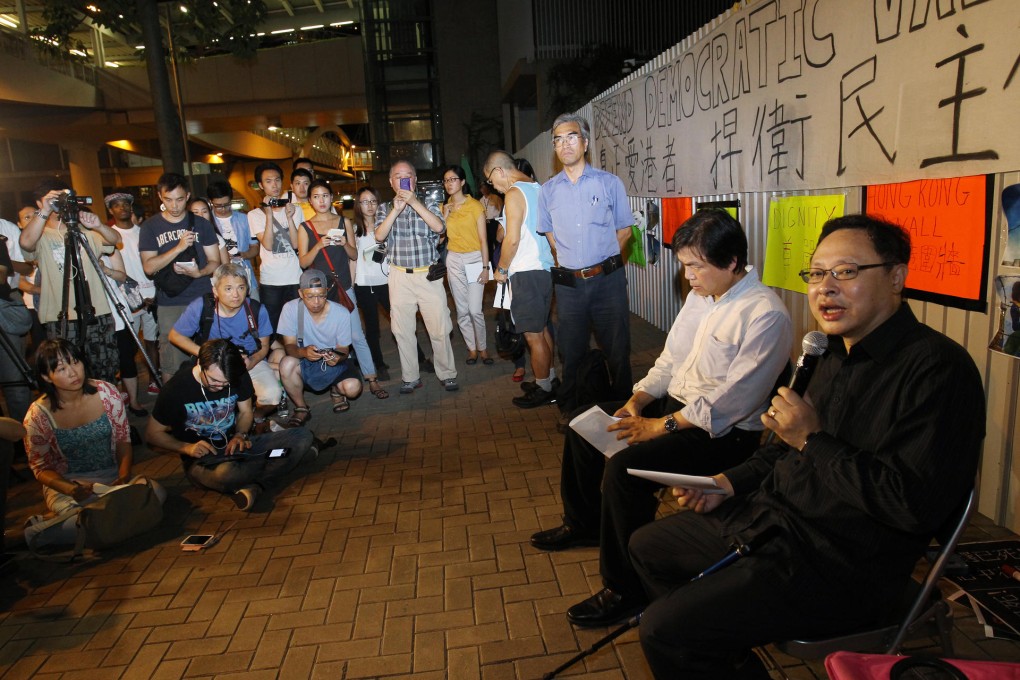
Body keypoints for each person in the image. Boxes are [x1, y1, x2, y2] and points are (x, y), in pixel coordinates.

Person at [628, 215, 985, 679]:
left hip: (840, 563)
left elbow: (911, 505)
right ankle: (720, 655)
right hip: (773, 522)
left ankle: (703, 642)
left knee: (664, 629)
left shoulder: (938, 371)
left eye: (847, 272)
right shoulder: (828, 353)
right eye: (816, 274)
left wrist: (813, 440)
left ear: (896, 276)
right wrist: (725, 484)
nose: (825, 288)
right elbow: (781, 448)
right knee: (648, 545)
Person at [532, 210, 793, 628]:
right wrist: (637, 401)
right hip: (674, 407)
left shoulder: (765, 314)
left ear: (730, 262)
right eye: (684, 265)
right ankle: (584, 523)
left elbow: (734, 401)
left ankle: (626, 588)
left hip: (721, 434)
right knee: (587, 426)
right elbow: (671, 360)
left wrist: (659, 427)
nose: (688, 276)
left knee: (625, 468)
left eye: (695, 266)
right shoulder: (701, 296)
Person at [539, 113, 634, 428]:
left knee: (617, 350)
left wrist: (602, 265)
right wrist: (570, 261)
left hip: (608, 282)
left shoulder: (609, 183)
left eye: (571, 137)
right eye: (558, 139)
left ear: (585, 142)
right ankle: (573, 412)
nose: (564, 144)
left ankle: (623, 411)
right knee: (571, 351)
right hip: (568, 288)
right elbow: (550, 235)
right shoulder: (548, 191)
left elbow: (624, 232)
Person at [23, 339, 166, 545]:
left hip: (111, 478)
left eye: (75, 362)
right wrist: (71, 489)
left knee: (157, 492)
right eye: (62, 368)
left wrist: (124, 475)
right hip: (70, 486)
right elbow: (40, 467)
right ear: (47, 376)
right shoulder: (37, 415)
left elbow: (122, 439)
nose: (73, 372)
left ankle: (85, 524)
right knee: (103, 516)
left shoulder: (106, 392)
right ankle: (39, 531)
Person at [146, 338, 314, 512]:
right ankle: (274, 467)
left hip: (237, 447)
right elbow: (152, 434)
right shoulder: (176, 389)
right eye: (214, 380)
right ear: (200, 364)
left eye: (226, 383)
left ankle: (255, 484)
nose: (220, 386)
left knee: (302, 436)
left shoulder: (238, 375)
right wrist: (186, 447)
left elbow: (246, 412)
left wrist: (240, 434)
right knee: (227, 474)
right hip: (204, 460)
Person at [20, 179, 123, 384]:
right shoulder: (41, 234)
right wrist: (45, 211)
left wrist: (99, 225)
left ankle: (105, 410)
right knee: (67, 372)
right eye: (53, 198)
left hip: (96, 313)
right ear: (40, 202)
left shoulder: (85, 231)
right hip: (60, 315)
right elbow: (26, 243)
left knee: (104, 370)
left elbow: (114, 239)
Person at [297, 179, 387, 400]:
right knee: (325, 339)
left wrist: (343, 243)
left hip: (344, 287)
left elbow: (354, 255)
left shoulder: (343, 221)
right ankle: (334, 386)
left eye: (325, 196)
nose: (321, 200)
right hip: (320, 292)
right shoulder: (305, 227)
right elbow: (303, 261)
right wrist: (319, 245)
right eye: (316, 196)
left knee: (357, 335)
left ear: (331, 197)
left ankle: (371, 378)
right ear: (310, 200)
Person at [374, 160, 458, 394]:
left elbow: (439, 228)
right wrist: (397, 209)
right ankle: (410, 377)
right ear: (391, 182)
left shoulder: (429, 203)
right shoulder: (383, 208)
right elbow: (379, 236)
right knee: (402, 330)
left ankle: (447, 373)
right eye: (399, 176)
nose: (404, 180)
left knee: (440, 328)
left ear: (415, 180)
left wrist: (413, 202)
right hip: (400, 276)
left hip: (428, 276)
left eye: (408, 176)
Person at [484, 151, 557, 407]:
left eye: (491, 181)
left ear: (499, 171)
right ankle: (548, 378)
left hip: (526, 272)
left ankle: (544, 388)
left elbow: (511, 239)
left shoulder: (515, 193)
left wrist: (501, 269)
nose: (494, 187)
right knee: (541, 329)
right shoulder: (538, 188)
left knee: (532, 336)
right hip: (542, 270)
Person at [167, 263, 283, 423]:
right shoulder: (202, 307)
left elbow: (263, 346)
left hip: (249, 361)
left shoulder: (256, 309)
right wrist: (207, 354)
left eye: (241, 288)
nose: (236, 294)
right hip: (213, 364)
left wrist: (252, 361)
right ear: (215, 291)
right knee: (207, 407)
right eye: (228, 288)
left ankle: (256, 417)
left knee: (273, 395)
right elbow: (175, 336)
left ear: (247, 289)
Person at [139, 172, 221, 382]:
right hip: (170, 302)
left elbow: (215, 260)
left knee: (211, 355)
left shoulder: (201, 224)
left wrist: (200, 272)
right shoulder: (150, 226)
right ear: (160, 196)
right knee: (171, 361)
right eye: (168, 200)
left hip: (202, 298)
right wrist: (178, 248)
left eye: (180, 199)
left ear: (188, 196)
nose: (174, 206)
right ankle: (173, 410)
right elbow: (148, 267)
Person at [352, 186, 430, 382]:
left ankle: (419, 359)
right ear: (358, 205)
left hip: (389, 282)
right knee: (372, 328)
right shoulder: (354, 229)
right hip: (365, 284)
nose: (369, 206)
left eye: (373, 201)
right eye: (364, 201)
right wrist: (352, 285)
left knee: (401, 323)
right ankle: (379, 365)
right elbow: (353, 259)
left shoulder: (389, 222)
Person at [277, 269, 363, 420]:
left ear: (327, 292)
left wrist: (338, 357)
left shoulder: (341, 312)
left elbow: (343, 348)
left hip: (332, 356)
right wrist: (303, 352)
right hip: (305, 357)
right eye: (310, 296)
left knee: (353, 389)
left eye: (321, 296)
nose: (316, 302)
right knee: (286, 364)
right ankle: (301, 407)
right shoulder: (290, 309)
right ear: (301, 293)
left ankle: (336, 391)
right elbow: (289, 346)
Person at [107, 192, 160, 396]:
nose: (122, 208)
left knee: (152, 341)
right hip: (126, 299)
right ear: (111, 210)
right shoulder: (109, 235)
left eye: (125, 204)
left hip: (152, 295)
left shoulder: (145, 231)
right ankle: (130, 391)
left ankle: (154, 379)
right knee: (128, 347)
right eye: (117, 206)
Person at [441, 165, 492, 365]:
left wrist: (486, 268)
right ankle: (472, 349)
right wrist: (444, 216)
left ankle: (483, 348)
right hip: (453, 259)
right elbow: (439, 240)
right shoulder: (444, 207)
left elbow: (483, 240)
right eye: (446, 180)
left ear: (462, 182)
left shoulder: (476, 206)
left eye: (453, 179)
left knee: (475, 310)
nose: (449, 183)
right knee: (461, 310)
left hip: (475, 259)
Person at [248, 162, 303, 329]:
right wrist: (269, 214)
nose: (274, 185)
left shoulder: (296, 210)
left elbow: (295, 243)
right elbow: (268, 245)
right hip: (271, 280)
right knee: (272, 326)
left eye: (278, 180)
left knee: (298, 325)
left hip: (295, 277)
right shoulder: (255, 215)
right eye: (269, 181)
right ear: (261, 185)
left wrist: (290, 217)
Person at [206, 180, 259, 301]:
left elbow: (255, 247)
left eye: (227, 204)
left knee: (253, 311)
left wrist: (243, 254)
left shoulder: (244, 219)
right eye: (218, 205)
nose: (223, 209)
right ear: (210, 202)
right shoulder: (208, 221)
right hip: (218, 278)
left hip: (245, 275)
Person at [479, 182, 503, 270]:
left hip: (495, 223)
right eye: (481, 188)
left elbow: (501, 210)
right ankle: (490, 266)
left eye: (484, 187)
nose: (483, 190)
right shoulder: (480, 201)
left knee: (497, 243)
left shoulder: (496, 198)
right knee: (487, 244)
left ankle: (499, 264)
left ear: (488, 188)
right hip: (485, 223)